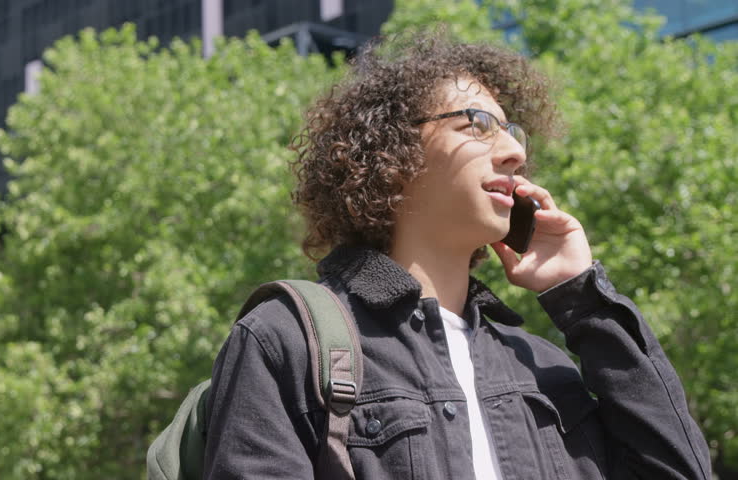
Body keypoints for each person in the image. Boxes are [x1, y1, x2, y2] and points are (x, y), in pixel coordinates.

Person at [202, 30, 712, 479]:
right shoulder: (285, 340)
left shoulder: (545, 367)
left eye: (513, 134)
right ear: (392, 153)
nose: (515, 154)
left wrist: (580, 296)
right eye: (476, 124)